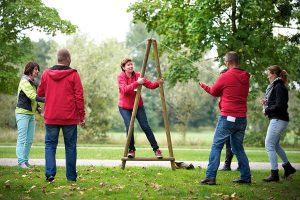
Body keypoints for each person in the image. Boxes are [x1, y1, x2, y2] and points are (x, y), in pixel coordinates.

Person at [199, 51, 251, 185]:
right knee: (238, 148)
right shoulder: (246, 77)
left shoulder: (225, 76)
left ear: (228, 62)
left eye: (225, 61)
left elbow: (214, 92)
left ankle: (210, 177)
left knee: (216, 146)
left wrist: (203, 85)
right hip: (241, 119)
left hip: (228, 117)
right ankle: (246, 176)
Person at [37, 49, 85, 182]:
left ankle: (50, 174)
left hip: (51, 116)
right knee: (70, 146)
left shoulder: (46, 74)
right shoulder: (73, 74)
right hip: (69, 117)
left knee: (50, 145)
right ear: (68, 58)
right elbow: (79, 97)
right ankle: (71, 177)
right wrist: (81, 116)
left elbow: (40, 92)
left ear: (58, 59)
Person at [118, 57, 163, 158]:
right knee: (130, 126)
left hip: (138, 105)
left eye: (131, 64)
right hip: (124, 107)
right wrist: (137, 83)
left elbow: (150, 85)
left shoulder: (138, 75)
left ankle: (156, 150)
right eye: (128, 65)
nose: (131, 66)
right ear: (123, 67)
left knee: (145, 126)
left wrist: (158, 83)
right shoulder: (121, 77)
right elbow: (125, 90)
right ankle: (131, 150)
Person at [262, 65, 296, 182]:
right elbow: (276, 102)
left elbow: (280, 105)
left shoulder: (279, 87)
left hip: (278, 119)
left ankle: (274, 174)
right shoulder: (276, 86)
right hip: (278, 118)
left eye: (269, 73)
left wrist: (267, 109)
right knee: (275, 145)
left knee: (269, 144)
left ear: (275, 74)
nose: (267, 75)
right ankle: (288, 167)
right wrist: (267, 103)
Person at [15, 62, 45, 168]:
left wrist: (37, 107)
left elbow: (33, 99)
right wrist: (47, 99)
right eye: (35, 69)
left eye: (38, 69)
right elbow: (32, 95)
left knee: (29, 139)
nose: (37, 71)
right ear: (30, 69)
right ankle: (20, 162)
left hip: (31, 114)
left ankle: (25, 161)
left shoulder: (32, 82)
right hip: (22, 113)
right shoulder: (24, 81)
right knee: (22, 138)